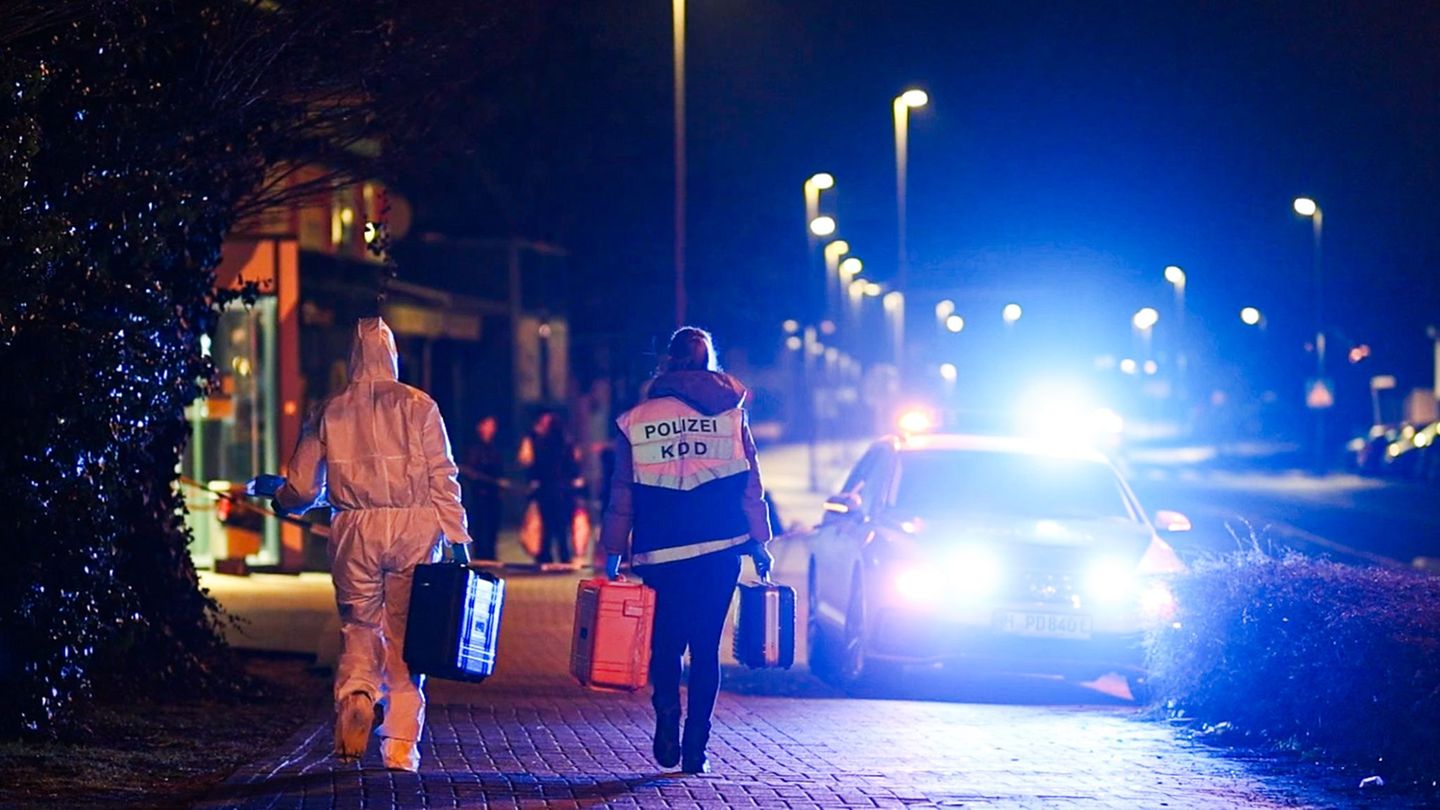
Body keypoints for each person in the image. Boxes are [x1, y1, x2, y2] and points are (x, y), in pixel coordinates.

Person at [271, 317, 470, 772]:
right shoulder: (420, 406)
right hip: (414, 529)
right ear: (393, 354)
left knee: (359, 625)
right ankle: (400, 741)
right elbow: (443, 476)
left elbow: (302, 488)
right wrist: (457, 536)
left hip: (353, 529)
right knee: (407, 635)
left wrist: (283, 502)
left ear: (351, 357)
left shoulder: (330, 409)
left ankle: (357, 696)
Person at [599, 326, 773, 774]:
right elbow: (750, 483)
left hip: (661, 553)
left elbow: (622, 491)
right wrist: (759, 542)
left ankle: (665, 721)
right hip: (722, 548)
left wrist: (613, 550)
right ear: (708, 361)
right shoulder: (732, 415)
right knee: (705, 649)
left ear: (668, 362)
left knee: (666, 645)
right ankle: (697, 748)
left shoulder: (637, 419)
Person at [519, 409, 583, 565]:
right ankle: (563, 555)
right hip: (562, 489)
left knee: (548, 524)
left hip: (547, 488)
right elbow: (572, 464)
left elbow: (531, 464)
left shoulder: (540, 442)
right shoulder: (565, 442)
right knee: (561, 525)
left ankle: (546, 555)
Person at [459, 415, 505, 562]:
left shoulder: (494, 447)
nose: (492, 428)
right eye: (488, 425)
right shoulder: (474, 448)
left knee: (492, 526)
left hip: (493, 494)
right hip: (480, 494)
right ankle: (480, 555)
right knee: (480, 526)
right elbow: (471, 470)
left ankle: (490, 554)